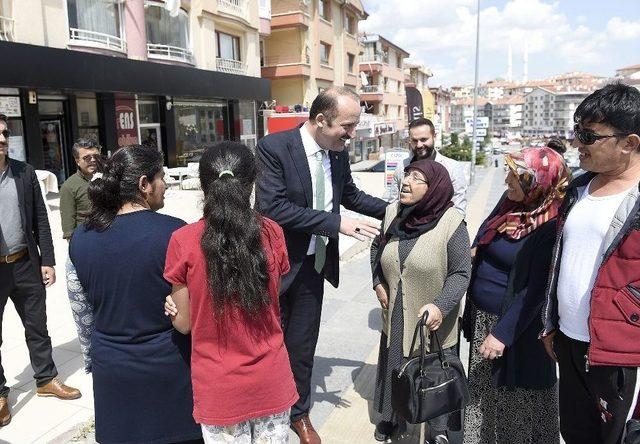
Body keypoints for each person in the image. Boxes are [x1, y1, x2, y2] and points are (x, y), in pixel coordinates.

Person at [256, 87, 388, 443]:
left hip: (314, 267)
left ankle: (299, 415)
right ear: (320, 120)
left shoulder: (338, 153)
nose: (352, 134)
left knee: (301, 347)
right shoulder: (275, 148)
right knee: (269, 344)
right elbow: (273, 208)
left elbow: (351, 197)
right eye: (346, 126)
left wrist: (400, 209)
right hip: (276, 268)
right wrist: (335, 223)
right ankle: (267, 410)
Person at [163, 142, 298, 443]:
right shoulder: (272, 232)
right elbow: (273, 298)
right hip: (270, 378)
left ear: (202, 184)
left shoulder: (183, 240)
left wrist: (173, 305)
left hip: (219, 387)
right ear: (252, 182)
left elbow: (183, 324)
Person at [67, 145, 201, 444]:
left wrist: (93, 357)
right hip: (170, 370)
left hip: (113, 371)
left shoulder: (81, 237)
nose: (165, 185)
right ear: (144, 184)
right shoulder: (176, 234)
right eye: (161, 178)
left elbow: (81, 309)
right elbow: (196, 310)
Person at [540, 83, 640, 444]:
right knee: (575, 433)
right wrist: (551, 322)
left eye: (588, 135)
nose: (576, 143)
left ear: (629, 143)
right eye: (575, 131)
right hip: (570, 342)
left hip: (621, 353)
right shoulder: (578, 189)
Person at [462, 147, 570, 444]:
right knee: (484, 393)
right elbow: (486, 228)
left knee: (516, 398)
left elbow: (537, 290)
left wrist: (502, 334)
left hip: (516, 327)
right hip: (485, 317)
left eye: (516, 176)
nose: (507, 180)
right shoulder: (511, 203)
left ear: (537, 184)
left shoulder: (550, 226)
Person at [371, 160, 471, 444]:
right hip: (398, 314)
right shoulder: (393, 213)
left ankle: (438, 431)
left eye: (417, 178)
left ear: (434, 187)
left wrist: (441, 305)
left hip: (434, 319)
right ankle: (392, 418)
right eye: (407, 175)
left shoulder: (452, 221)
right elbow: (376, 248)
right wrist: (378, 282)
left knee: (434, 377)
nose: (406, 182)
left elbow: (461, 271)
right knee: (396, 369)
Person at [0, 114, 80, 427]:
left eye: (5, 133)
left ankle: (46, 380)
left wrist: (47, 260)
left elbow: (41, 220)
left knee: (37, 327)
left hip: (25, 264)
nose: (2, 139)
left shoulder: (24, 173)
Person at [393, 118, 468, 214]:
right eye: (415, 141)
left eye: (423, 139)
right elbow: (392, 202)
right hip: (404, 226)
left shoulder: (452, 168)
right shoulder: (402, 166)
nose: (419, 145)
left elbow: (458, 209)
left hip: (441, 226)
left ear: (434, 136)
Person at [59, 139, 102, 240]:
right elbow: (68, 223)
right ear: (77, 161)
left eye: (96, 156)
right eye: (87, 157)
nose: (93, 160)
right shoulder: (69, 186)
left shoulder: (109, 177)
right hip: (87, 239)